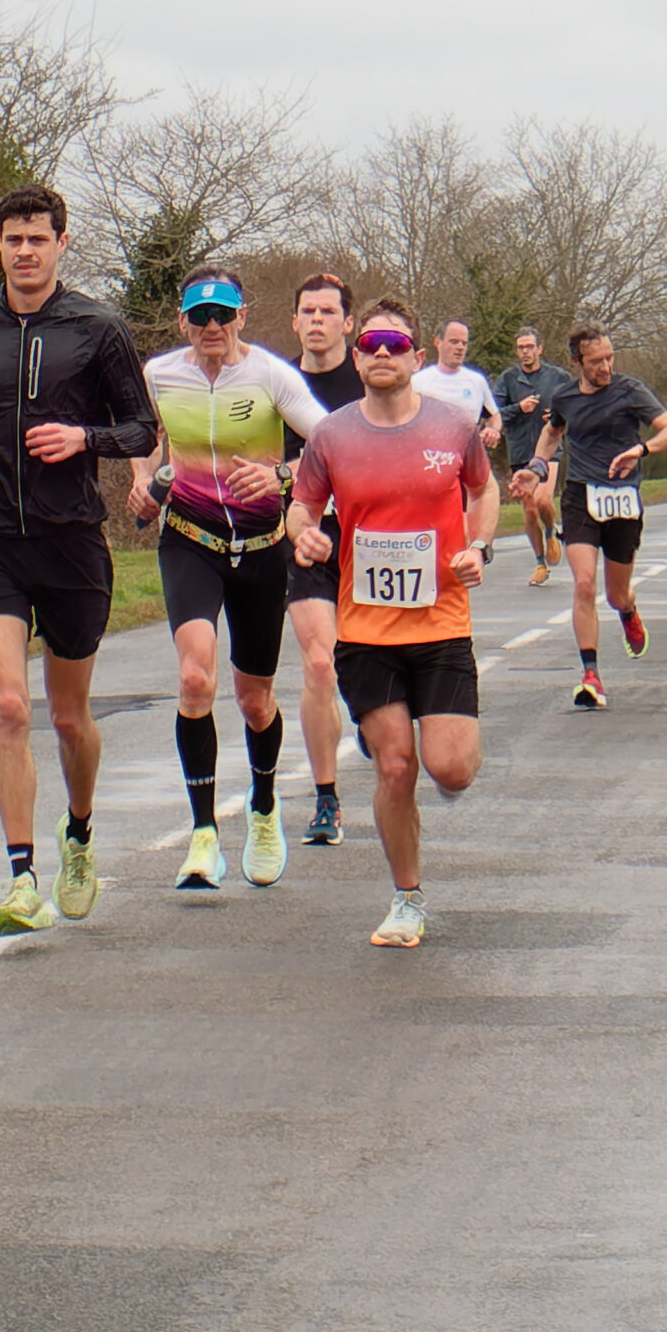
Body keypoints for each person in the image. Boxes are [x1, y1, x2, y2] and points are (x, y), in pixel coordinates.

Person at [0, 186, 156, 936]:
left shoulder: (99, 328)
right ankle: (21, 878)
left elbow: (140, 429)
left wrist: (83, 438)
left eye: (36, 239)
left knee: (67, 716)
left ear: (62, 243)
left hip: (72, 543)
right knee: (9, 707)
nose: (23, 251)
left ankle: (79, 834)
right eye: (12, 239)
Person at [287, 300, 499, 947]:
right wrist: (304, 536)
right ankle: (406, 899)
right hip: (366, 632)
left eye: (395, 344)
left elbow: (484, 490)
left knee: (451, 768)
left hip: (441, 624)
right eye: (372, 344)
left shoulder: (453, 426)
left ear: (416, 357)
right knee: (396, 767)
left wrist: (478, 545)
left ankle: (438, 753)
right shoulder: (332, 435)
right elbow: (302, 507)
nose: (382, 352)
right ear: (357, 359)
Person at [129, 271, 326, 891]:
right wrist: (143, 480)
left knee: (253, 700)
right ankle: (204, 835)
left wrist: (281, 477)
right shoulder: (160, 375)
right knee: (195, 677)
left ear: (242, 315)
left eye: (222, 315)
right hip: (191, 540)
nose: (211, 327)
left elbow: (330, 443)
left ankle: (263, 808)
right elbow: (141, 433)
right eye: (199, 316)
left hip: (262, 549)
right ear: (182, 320)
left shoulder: (271, 375)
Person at [511, 328, 667, 710]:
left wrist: (641, 450)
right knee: (585, 584)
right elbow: (552, 433)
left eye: (609, 358)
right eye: (596, 361)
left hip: (623, 500)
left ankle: (628, 610)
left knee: (617, 594)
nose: (605, 367)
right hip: (580, 496)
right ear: (577, 363)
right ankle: (590, 675)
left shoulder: (630, 390)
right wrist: (536, 468)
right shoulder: (565, 397)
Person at [281, 274, 365, 846]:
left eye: (327, 311)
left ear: (347, 323)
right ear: (294, 322)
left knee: (363, 662)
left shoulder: (370, 379)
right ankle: (326, 798)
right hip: (304, 536)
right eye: (307, 311)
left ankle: (371, 714)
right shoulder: (276, 384)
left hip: (369, 539)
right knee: (318, 663)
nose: (317, 320)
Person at [490, 326, 569, 584]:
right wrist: (519, 408)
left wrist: (557, 415)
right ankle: (540, 563)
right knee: (530, 509)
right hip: (521, 450)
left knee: (543, 501)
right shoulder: (508, 379)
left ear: (539, 349)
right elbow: (494, 414)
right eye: (521, 347)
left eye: (529, 347)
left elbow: (576, 403)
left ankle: (551, 532)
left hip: (549, 449)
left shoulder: (558, 377)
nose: (525, 352)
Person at [412, 319, 503, 449]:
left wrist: (493, 430)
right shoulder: (418, 382)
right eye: (454, 342)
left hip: (466, 455)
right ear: (437, 342)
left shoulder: (477, 381)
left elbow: (495, 416)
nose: (460, 348)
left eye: (464, 343)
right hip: (428, 454)